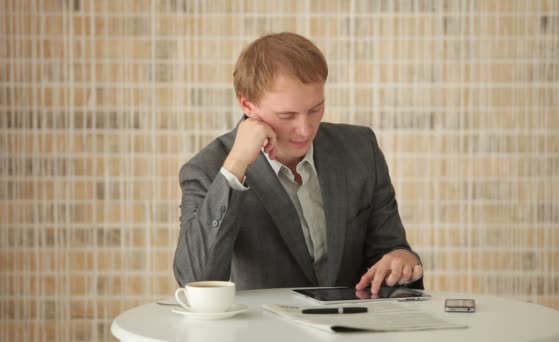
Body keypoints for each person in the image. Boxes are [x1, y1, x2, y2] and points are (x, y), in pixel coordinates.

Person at [173, 32, 423, 294]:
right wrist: (235, 168)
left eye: (315, 109)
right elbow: (195, 278)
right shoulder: (207, 170)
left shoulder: (361, 149)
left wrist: (401, 259)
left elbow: (388, 249)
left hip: (349, 331)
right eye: (287, 115)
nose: (305, 130)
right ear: (247, 104)